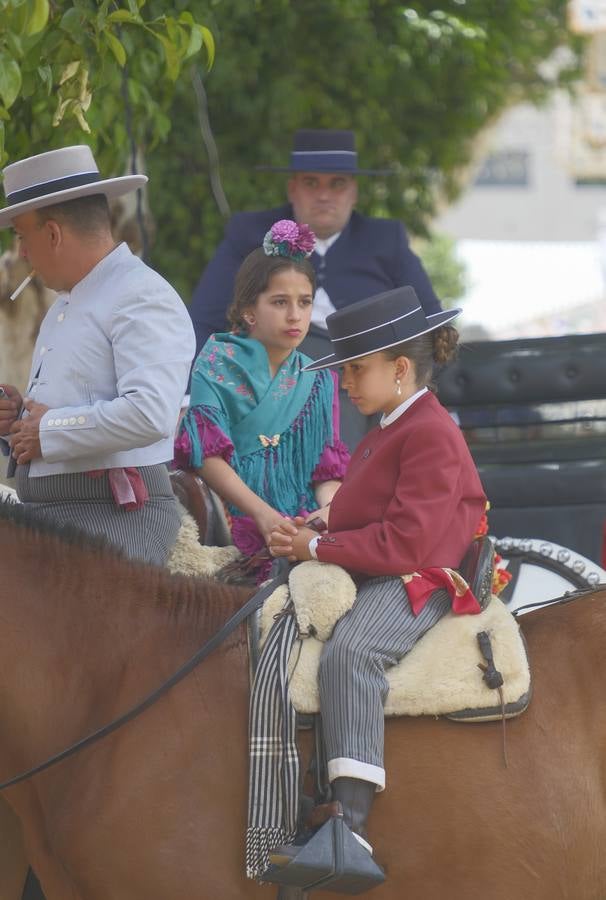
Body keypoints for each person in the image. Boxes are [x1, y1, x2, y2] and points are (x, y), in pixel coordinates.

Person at [247, 285, 487, 884]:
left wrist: (317, 547)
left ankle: (348, 824)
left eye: (356, 368)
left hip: (428, 578)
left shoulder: (428, 430)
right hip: (391, 563)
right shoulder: (389, 424)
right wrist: (313, 525)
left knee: (353, 649)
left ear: (400, 368)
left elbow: (409, 543)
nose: (346, 382)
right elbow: (362, 506)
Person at [0, 145, 195, 564]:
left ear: (51, 234)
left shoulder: (142, 295)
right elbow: (67, 412)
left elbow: (151, 413)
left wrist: (46, 430)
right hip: (49, 516)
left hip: (115, 517)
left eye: (21, 237)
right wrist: (16, 422)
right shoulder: (64, 304)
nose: (21, 254)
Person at [189, 129, 443, 449]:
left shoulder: (384, 239)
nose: (324, 195)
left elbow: (431, 322)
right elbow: (204, 319)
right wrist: (193, 394)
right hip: (267, 379)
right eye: (311, 183)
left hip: (366, 383)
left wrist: (414, 393)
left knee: (345, 386)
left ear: (354, 192)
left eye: (337, 184)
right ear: (292, 188)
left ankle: (339, 490)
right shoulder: (248, 234)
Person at [174, 219, 349, 578]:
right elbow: (205, 456)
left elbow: (326, 471)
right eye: (280, 302)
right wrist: (263, 515)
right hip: (231, 517)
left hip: (301, 523)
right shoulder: (215, 361)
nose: (295, 315)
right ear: (249, 310)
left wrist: (326, 516)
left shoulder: (319, 377)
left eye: (305, 302)